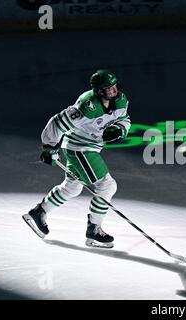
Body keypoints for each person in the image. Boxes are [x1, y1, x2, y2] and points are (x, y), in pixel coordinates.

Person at [23, 69, 131, 248]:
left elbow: (125, 118)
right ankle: (94, 230)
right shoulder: (86, 107)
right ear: (98, 91)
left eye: (114, 86)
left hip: (92, 147)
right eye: (108, 88)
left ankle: (38, 212)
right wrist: (49, 146)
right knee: (107, 185)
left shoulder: (120, 100)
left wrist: (120, 129)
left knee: (72, 188)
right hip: (80, 148)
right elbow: (57, 122)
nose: (113, 90)